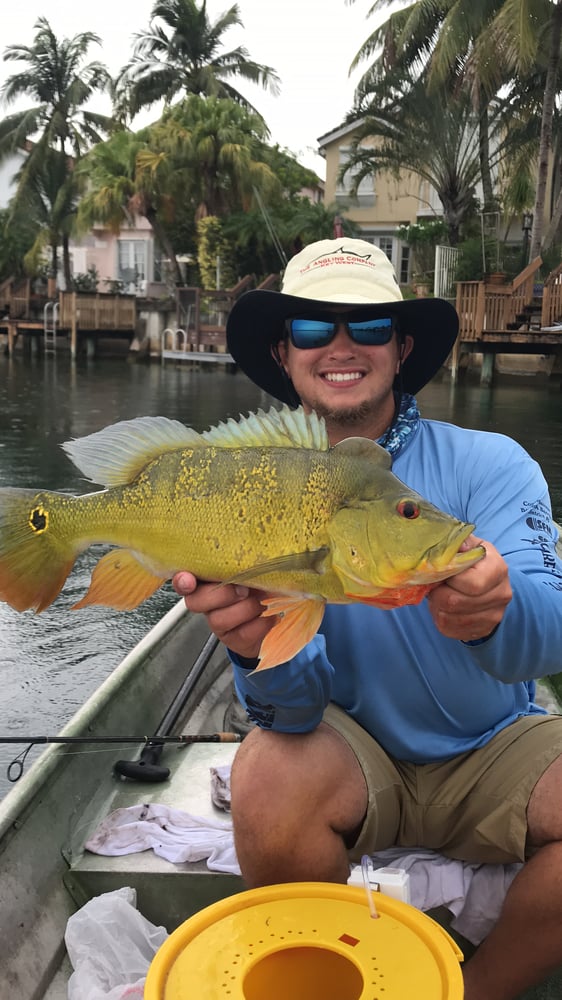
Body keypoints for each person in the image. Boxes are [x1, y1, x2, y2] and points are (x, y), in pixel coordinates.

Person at [173, 239, 562, 1000]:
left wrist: (494, 613)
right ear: (286, 353)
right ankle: (330, 978)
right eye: (315, 330)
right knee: (265, 782)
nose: (341, 347)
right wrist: (258, 654)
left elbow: (547, 639)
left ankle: (472, 993)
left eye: (370, 326)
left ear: (402, 345)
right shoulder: (253, 490)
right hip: (347, 752)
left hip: (493, 745)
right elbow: (287, 715)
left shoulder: (492, 465)